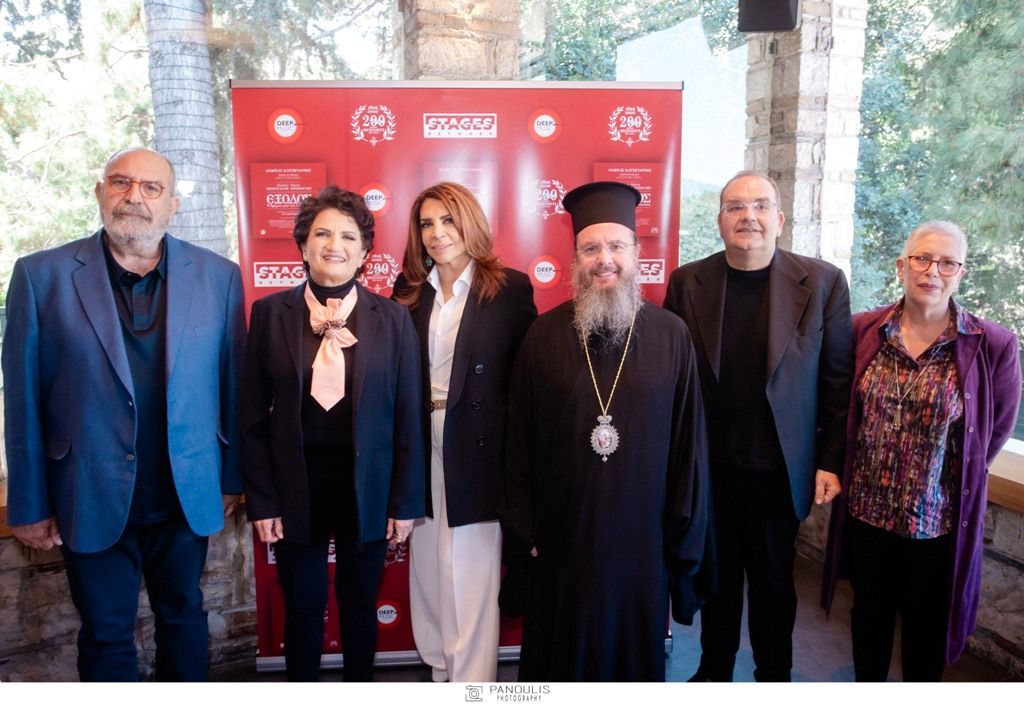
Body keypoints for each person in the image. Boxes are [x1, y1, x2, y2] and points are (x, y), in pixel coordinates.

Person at [2, 147, 246, 681]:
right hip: (86, 493)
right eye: (121, 182)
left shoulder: (220, 277)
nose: (135, 196)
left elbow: (234, 389)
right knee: (105, 634)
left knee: (184, 619)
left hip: (184, 494)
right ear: (100, 192)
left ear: (173, 204)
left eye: (151, 187)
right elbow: (21, 400)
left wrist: (230, 480)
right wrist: (28, 503)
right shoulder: (41, 276)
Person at [500, 181, 711, 681]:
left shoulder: (671, 336)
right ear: (576, 258)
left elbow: (688, 448)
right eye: (591, 248)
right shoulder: (543, 335)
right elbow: (518, 442)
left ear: (636, 253)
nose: (604, 260)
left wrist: (679, 541)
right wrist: (525, 530)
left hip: (642, 542)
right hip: (562, 539)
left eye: (616, 246)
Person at [663, 170, 854, 682]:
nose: (749, 216)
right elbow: (673, 381)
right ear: (720, 221)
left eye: (760, 205)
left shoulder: (823, 282)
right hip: (710, 467)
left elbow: (838, 382)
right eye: (736, 207)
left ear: (780, 219)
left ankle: (775, 677)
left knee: (773, 584)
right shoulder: (687, 282)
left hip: (779, 468)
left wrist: (830, 462)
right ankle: (714, 670)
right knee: (717, 579)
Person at [240, 184, 425, 682]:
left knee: (360, 604)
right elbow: (251, 418)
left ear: (364, 253)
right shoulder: (269, 314)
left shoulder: (393, 319)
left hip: (368, 487)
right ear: (303, 245)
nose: (333, 245)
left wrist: (404, 502)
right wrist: (263, 502)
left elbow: (409, 415)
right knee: (302, 607)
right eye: (321, 234)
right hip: (295, 488)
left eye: (347, 236)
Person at [821, 221, 1021, 681]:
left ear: (961, 274)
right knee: (868, 620)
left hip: (935, 521)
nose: (933, 271)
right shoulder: (864, 330)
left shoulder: (992, 345)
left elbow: (994, 431)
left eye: (948, 263)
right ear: (901, 266)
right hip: (866, 514)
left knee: (925, 634)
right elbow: (837, 406)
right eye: (922, 258)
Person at [392, 182, 537, 682]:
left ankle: (472, 681)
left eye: (447, 220)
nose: (437, 233)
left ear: (469, 222)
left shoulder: (508, 288)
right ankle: (439, 669)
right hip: (419, 441)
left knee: (469, 571)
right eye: (426, 224)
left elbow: (527, 379)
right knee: (428, 568)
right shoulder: (409, 290)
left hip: (478, 447)